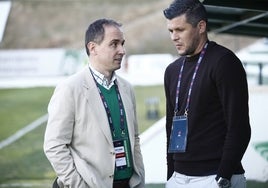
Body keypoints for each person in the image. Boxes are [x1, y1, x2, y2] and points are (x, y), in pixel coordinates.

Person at [43, 18, 145, 188]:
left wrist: (139, 179)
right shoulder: (70, 88)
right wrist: (79, 185)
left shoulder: (127, 88)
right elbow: (54, 146)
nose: (122, 50)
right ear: (93, 48)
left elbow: (134, 139)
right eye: (114, 44)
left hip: (127, 184)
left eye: (122, 43)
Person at [162, 0, 251, 187]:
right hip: (179, 176)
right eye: (171, 31)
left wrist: (223, 176)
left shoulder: (224, 62)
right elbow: (170, 126)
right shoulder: (172, 70)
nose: (174, 37)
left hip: (215, 176)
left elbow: (239, 127)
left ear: (201, 26)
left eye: (180, 30)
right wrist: (171, 174)